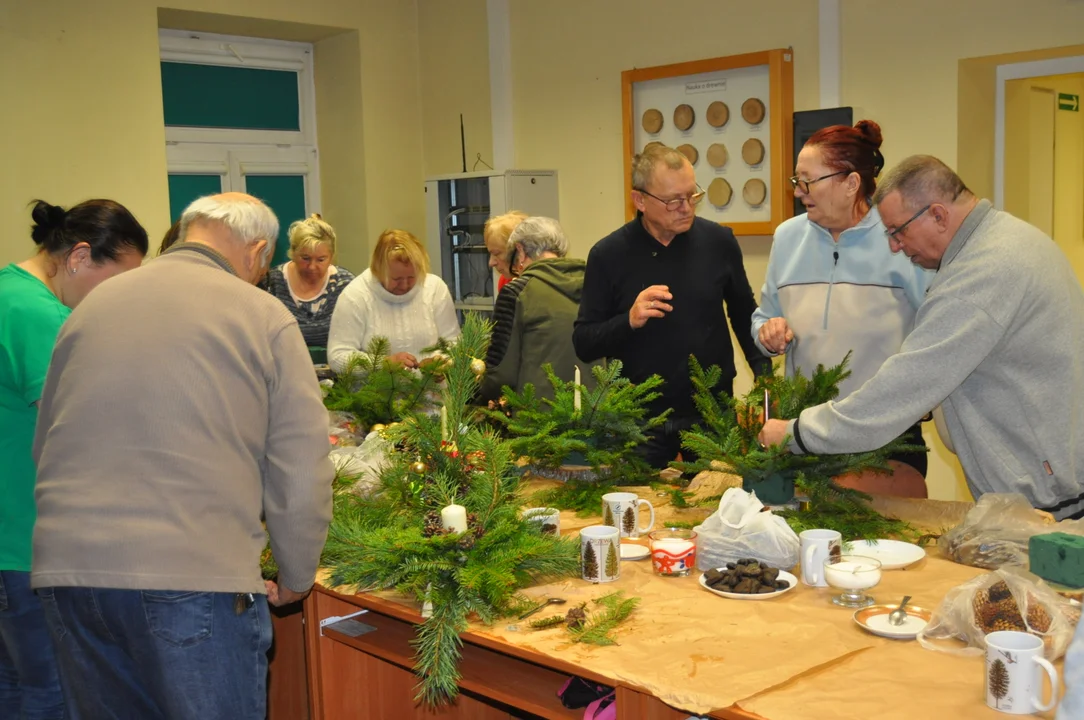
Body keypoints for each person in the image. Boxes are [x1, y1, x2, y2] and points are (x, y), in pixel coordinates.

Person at [31, 193, 334, 719]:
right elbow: (301, 469)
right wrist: (295, 574)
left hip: (70, 578)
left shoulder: (90, 306)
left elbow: (46, 444)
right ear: (257, 251)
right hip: (191, 582)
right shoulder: (262, 314)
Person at [759, 155, 1084, 520]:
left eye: (898, 231)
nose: (895, 247)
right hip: (1047, 474)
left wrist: (797, 433)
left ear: (938, 215)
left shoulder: (981, 273)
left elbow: (907, 384)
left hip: (1049, 495)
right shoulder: (1010, 237)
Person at [0, 198, 147, 719]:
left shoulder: (11, 290)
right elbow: (74, 432)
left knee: (18, 686)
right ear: (79, 257)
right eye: (117, 280)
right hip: (27, 541)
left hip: (14, 534)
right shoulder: (36, 312)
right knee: (53, 692)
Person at [751, 120, 933, 497]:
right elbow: (764, 317)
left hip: (885, 433)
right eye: (796, 181)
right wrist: (768, 333)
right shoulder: (787, 238)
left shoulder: (898, 237)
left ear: (850, 183)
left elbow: (936, 329)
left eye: (808, 181)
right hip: (803, 430)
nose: (800, 192)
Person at [574, 144, 770, 468]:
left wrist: (763, 374)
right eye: (673, 201)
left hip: (710, 408)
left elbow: (743, 312)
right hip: (638, 416)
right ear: (640, 200)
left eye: (692, 195)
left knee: (719, 509)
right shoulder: (608, 255)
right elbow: (583, 341)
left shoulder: (719, 243)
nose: (686, 208)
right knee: (634, 509)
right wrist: (630, 320)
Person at [479, 216, 599, 403]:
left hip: (538, 419)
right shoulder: (597, 285)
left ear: (520, 251)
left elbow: (501, 374)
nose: (492, 263)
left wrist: (473, 393)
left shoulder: (516, 292)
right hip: (594, 413)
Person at [328, 228, 460, 372]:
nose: (404, 285)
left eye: (411, 277)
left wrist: (439, 363)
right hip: (373, 392)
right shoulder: (355, 296)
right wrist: (383, 363)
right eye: (396, 279)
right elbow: (337, 356)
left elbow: (454, 343)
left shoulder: (434, 288)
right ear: (378, 270)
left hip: (432, 392)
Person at [264, 213, 355, 348]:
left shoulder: (345, 284)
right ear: (293, 253)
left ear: (331, 257)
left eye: (321, 259)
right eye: (305, 258)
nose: (312, 267)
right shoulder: (271, 282)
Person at [484, 210, 527, 293]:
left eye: (497, 253)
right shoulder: (505, 281)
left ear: (519, 251)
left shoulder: (540, 283)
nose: (491, 263)